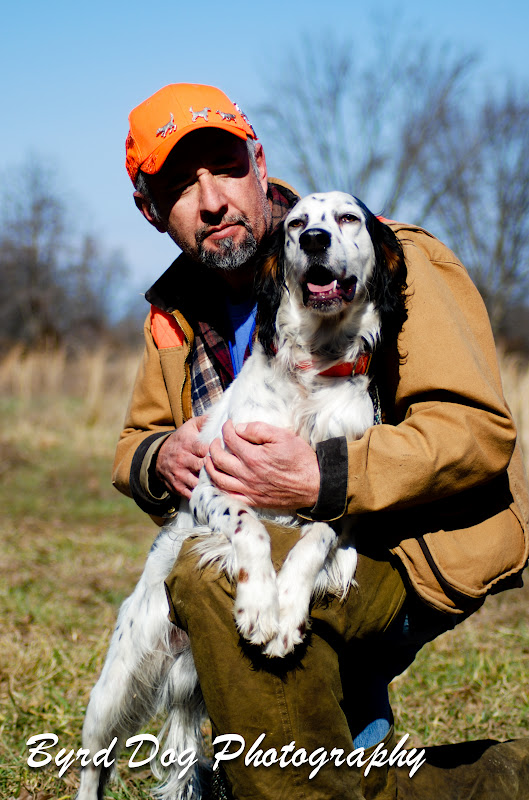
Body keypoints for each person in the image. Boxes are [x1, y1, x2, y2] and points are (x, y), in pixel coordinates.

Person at [113, 83, 529, 800]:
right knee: (333, 764)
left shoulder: (384, 251)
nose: (212, 199)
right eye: (180, 185)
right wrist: (162, 457)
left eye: (225, 166)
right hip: (275, 541)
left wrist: (323, 475)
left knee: (210, 576)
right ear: (152, 212)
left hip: (401, 550)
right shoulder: (177, 310)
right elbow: (135, 442)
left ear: (259, 160)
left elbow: (475, 432)